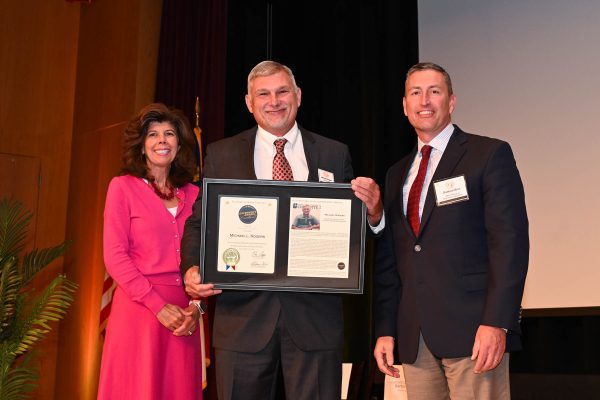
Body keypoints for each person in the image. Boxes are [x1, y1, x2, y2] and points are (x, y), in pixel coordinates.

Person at [180, 60, 383, 400]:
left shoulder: (334, 153)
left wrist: (374, 212)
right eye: (263, 94)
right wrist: (190, 268)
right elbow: (199, 223)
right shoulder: (222, 153)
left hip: (315, 322)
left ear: (298, 96)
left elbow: (350, 231)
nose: (274, 101)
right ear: (249, 102)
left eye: (282, 91)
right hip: (242, 320)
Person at [373, 62, 529, 399]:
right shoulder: (396, 173)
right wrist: (386, 329)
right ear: (404, 105)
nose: (424, 101)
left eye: (434, 92)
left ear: (451, 101)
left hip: (475, 333)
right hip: (414, 337)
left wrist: (497, 322)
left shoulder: (488, 154)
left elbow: (510, 244)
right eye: (416, 92)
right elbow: (392, 257)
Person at [98, 103, 203, 400]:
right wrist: (157, 306)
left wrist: (197, 309)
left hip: (185, 319)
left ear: (179, 144)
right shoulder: (122, 188)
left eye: (169, 134)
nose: (162, 140)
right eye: (153, 134)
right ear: (141, 146)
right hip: (138, 312)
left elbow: (209, 258)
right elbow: (116, 258)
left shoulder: (196, 195)